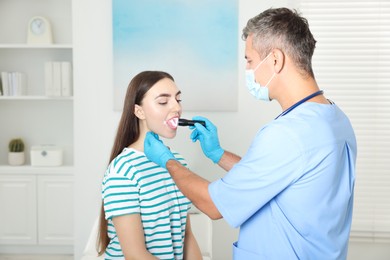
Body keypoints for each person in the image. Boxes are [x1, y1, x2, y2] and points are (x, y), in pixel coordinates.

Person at [144, 7, 357, 260]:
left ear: (275, 60)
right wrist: (217, 154)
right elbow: (272, 179)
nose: (248, 69)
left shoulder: (286, 134)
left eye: (249, 60)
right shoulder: (334, 118)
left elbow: (213, 206)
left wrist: (167, 161)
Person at [97, 71, 202, 260]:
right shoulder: (123, 172)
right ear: (139, 111)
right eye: (163, 102)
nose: (176, 108)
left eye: (178, 100)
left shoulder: (177, 163)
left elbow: (186, 237)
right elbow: (135, 254)